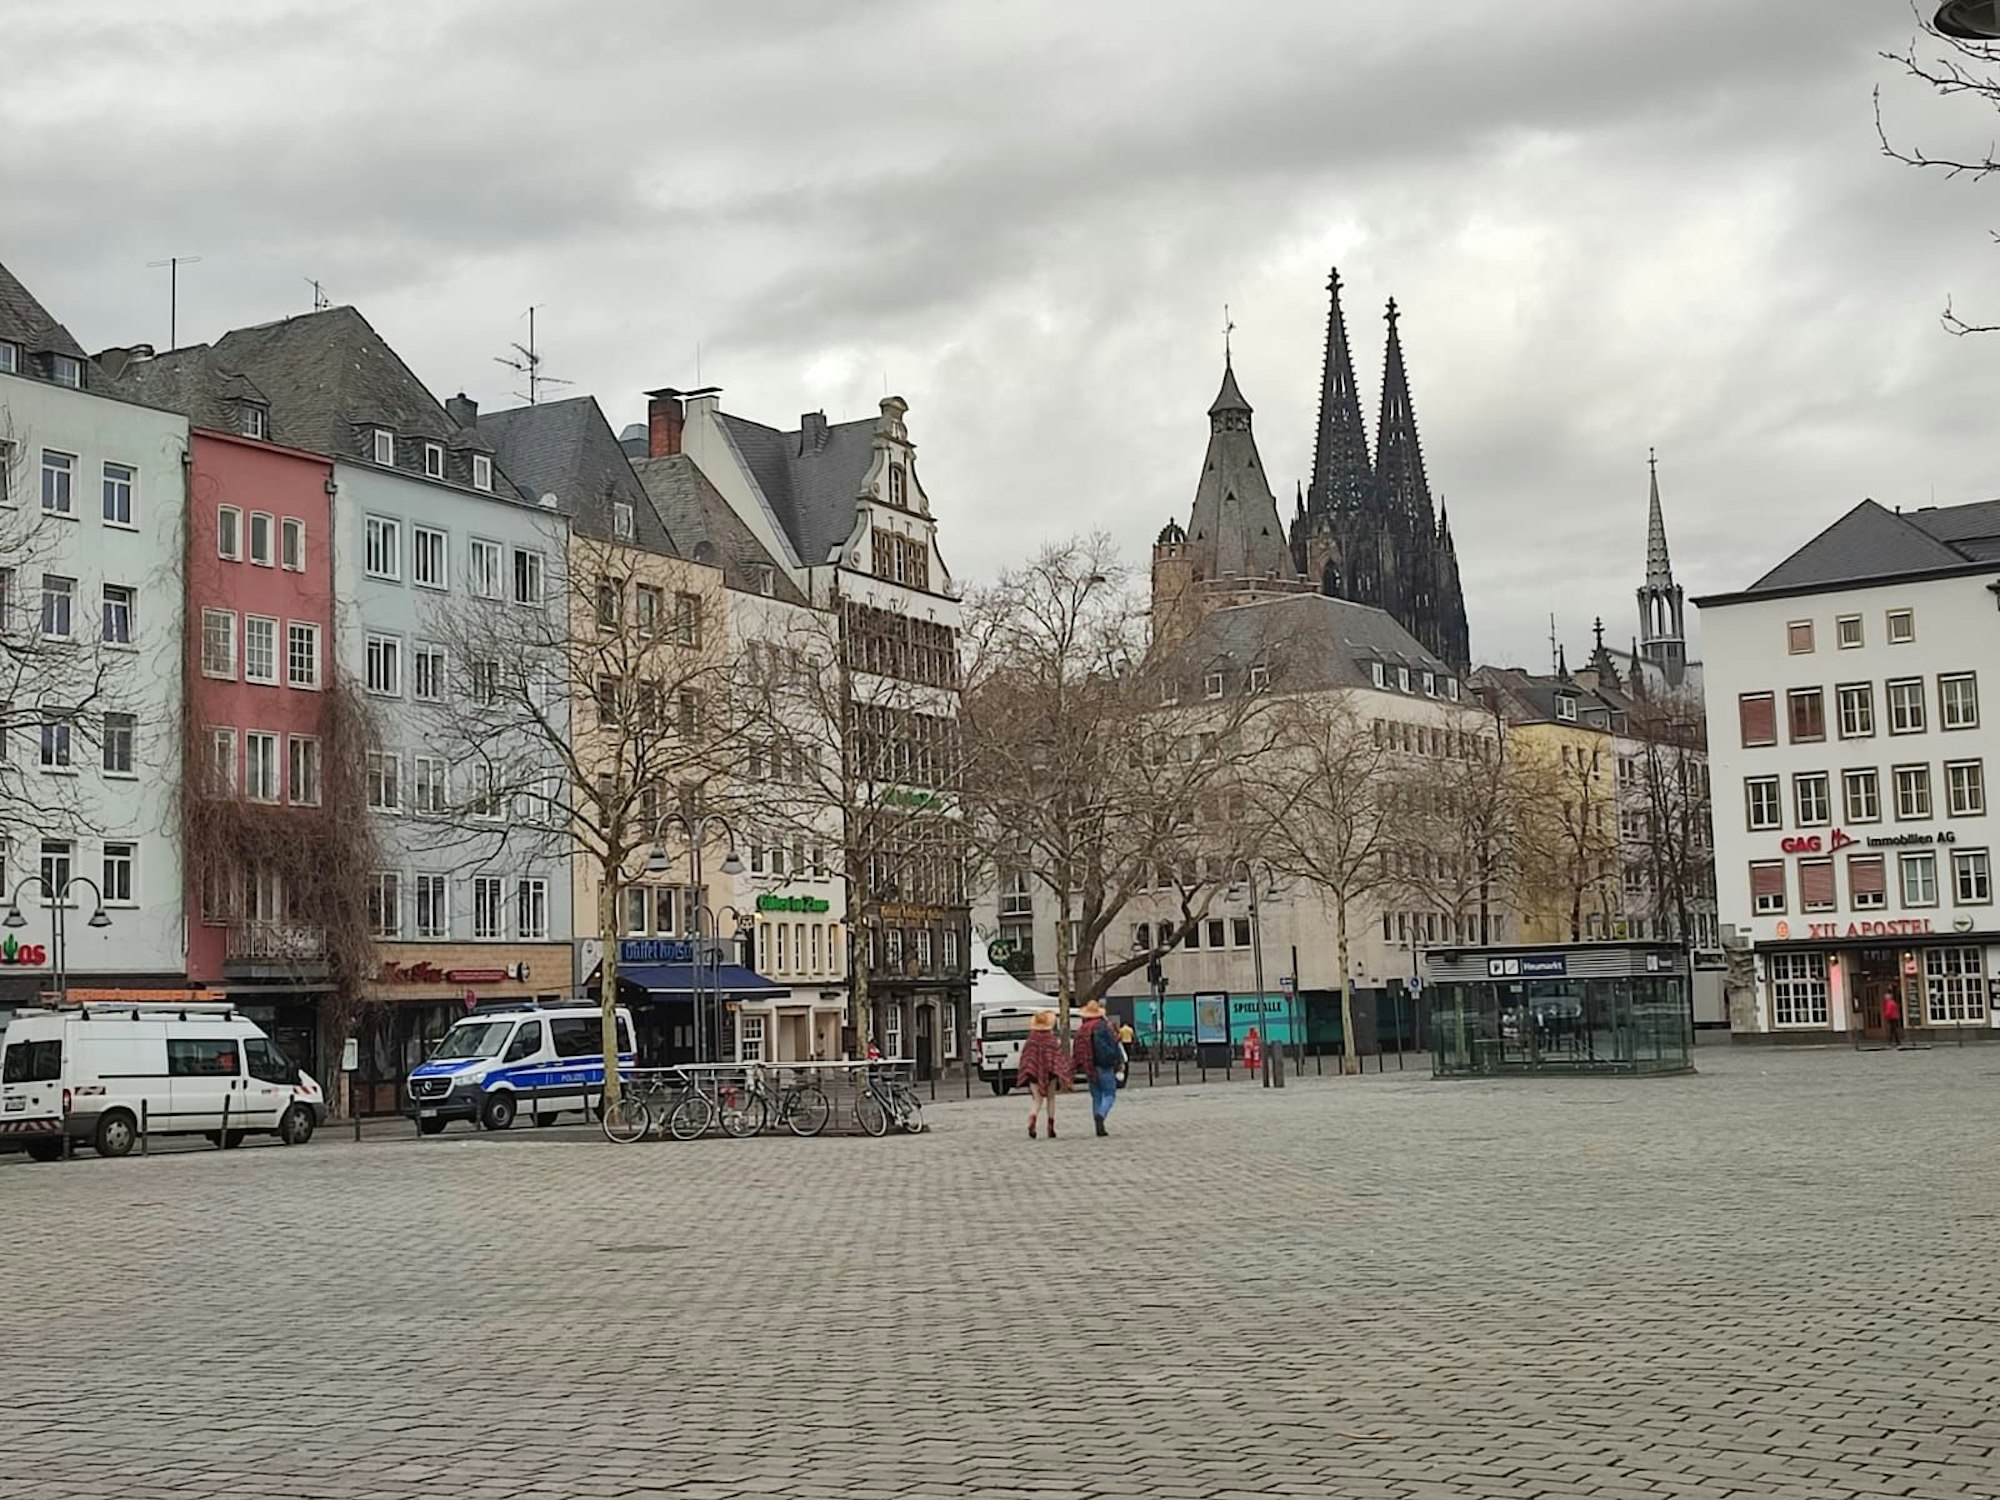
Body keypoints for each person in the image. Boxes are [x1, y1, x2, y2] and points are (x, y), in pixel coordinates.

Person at [1073, 1000, 1124, 1137]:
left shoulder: (1082, 1029)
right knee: (1109, 1093)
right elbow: (1113, 1044)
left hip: (1089, 1066)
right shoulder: (1104, 1026)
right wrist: (1118, 1061)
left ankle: (1098, 1125)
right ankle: (1101, 1115)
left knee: (1096, 1096)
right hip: (1104, 1065)